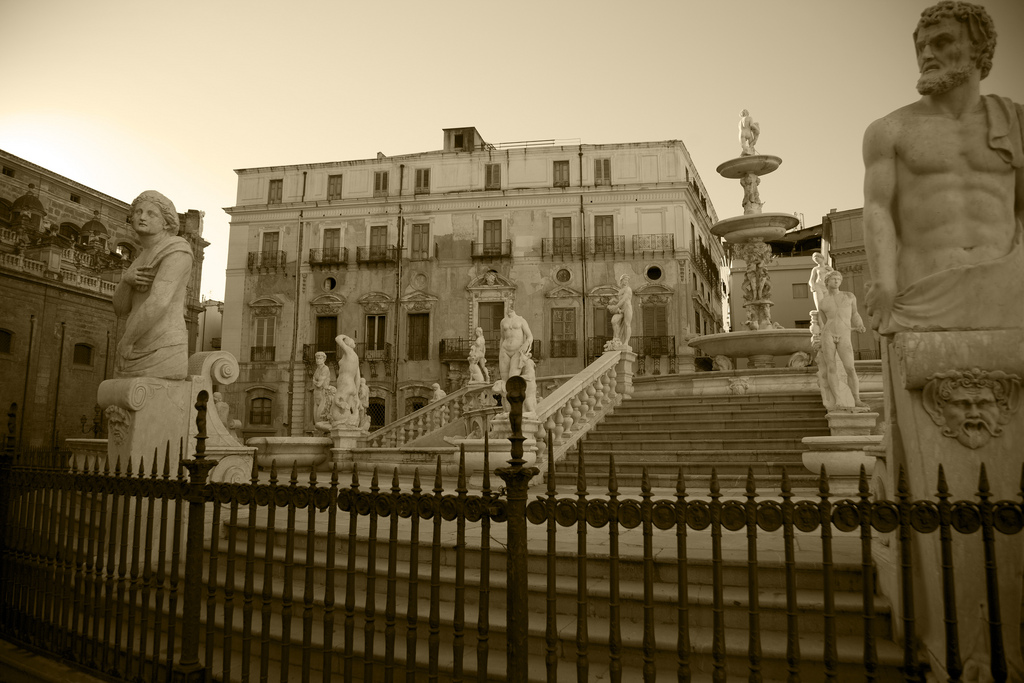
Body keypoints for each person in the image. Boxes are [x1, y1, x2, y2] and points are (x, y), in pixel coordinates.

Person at [863, 1, 1023, 335]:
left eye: (942, 42)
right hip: (924, 290)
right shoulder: (890, 130)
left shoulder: (1016, 123)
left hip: (1007, 285)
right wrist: (883, 282)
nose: (927, 55)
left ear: (978, 49)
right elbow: (878, 208)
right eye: (921, 46)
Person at [113, 191, 192, 380]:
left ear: (166, 222)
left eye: (151, 214)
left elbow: (159, 302)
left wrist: (126, 341)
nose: (142, 217)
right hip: (135, 346)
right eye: (138, 212)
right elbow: (120, 308)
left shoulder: (177, 250)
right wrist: (126, 280)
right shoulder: (141, 256)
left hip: (163, 347)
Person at [812, 271, 866, 407]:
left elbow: (855, 314)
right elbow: (823, 323)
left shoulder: (849, 296)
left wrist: (859, 324)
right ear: (827, 282)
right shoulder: (823, 302)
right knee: (832, 368)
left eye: (838, 279)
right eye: (833, 279)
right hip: (828, 334)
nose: (836, 281)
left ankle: (857, 399)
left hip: (844, 334)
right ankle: (838, 399)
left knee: (850, 368)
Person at [331, 334, 361, 426]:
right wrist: (356, 394)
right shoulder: (355, 357)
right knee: (344, 411)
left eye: (345, 342)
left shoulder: (349, 352)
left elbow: (337, 338)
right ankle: (350, 423)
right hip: (350, 386)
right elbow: (358, 377)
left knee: (335, 412)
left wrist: (345, 336)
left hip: (345, 385)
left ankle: (344, 424)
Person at [498, 304, 533, 381]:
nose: (509, 309)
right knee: (504, 379)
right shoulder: (503, 321)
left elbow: (530, 336)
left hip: (517, 351)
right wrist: (500, 350)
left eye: (511, 307)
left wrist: (525, 344)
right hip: (505, 350)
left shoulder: (521, 320)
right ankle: (505, 393)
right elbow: (502, 337)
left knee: (513, 376)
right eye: (508, 307)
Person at [607, 274, 633, 348]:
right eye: (625, 280)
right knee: (614, 321)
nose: (626, 282)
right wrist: (614, 300)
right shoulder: (620, 290)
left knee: (627, 324)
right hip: (621, 309)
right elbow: (620, 300)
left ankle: (626, 342)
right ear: (621, 281)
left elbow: (624, 299)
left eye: (627, 280)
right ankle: (616, 338)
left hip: (627, 307)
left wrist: (615, 307)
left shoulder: (628, 289)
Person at [311, 351, 332, 423]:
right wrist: (316, 381)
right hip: (316, 393)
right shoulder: (317, 369)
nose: (318, 360)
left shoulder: (325, 368)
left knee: (320, 415)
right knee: (315, 416)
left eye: (320, 358)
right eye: (317, 358)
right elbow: (314, 381)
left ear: (324, 359)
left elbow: (319, 383)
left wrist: (316, 381)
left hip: (323, 393)